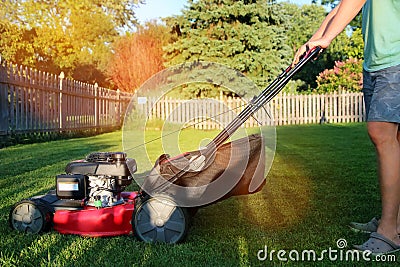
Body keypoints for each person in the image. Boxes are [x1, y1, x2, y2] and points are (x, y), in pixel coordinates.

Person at [293, 0, 400, 254]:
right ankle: (394, 220)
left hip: (395, 60)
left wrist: (327, 38)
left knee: (380, 132)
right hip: (376, 61)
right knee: (393, 140)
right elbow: (343, 6)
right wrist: (313, 40)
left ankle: (388, 231)